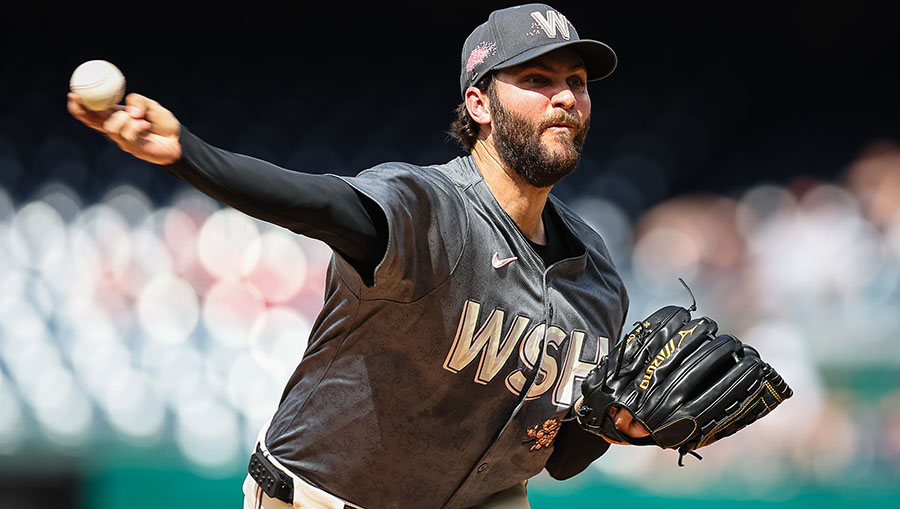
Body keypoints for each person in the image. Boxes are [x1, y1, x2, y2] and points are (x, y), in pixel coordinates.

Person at [68, 3, 650, 508]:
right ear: (480, 103)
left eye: (576, 81)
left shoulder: (595, 278)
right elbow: (318, 203)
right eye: (538, 78)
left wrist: (619, 425)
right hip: (323, 499)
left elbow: (562, 459)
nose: (566, 97)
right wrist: (186, 153)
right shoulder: (428, 210)